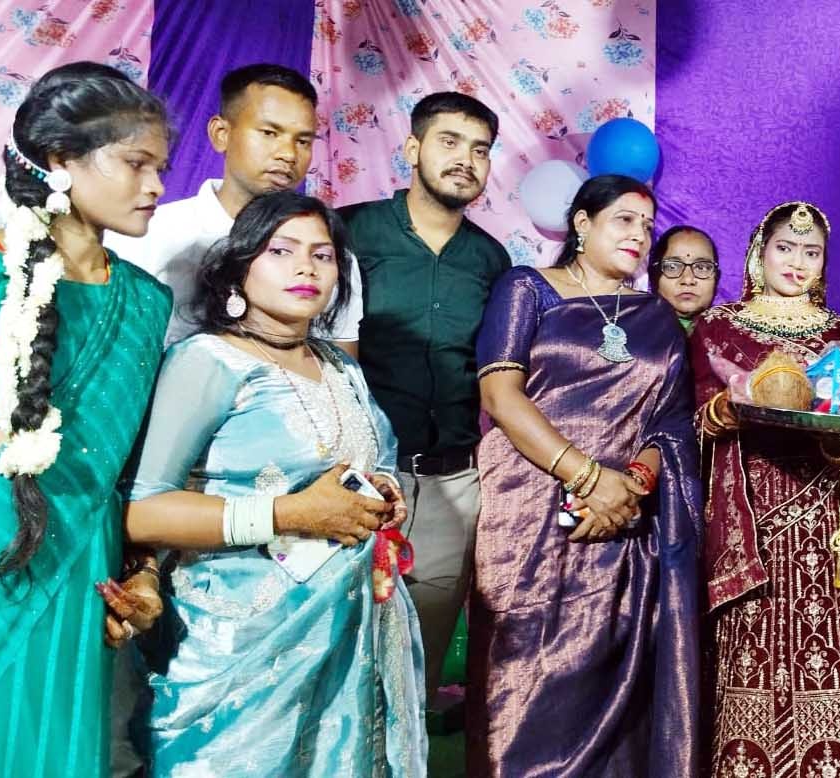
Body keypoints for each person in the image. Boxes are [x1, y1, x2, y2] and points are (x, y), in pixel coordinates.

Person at [0, 62, 173, 778]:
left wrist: (143, 575)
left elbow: (129, 474)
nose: (157, 185)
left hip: (76, 581)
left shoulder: (147, 303)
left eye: (160, 167)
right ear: (60, 159)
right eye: (136, 163)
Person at [123, 191, 426, 776]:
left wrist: (383, 494)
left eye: (322, 255)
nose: (305, 268)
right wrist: (290, 514)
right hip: (243, 649)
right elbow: (144, 508)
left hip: (349, 631)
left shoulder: (340, 366)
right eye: (280, 251)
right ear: (239, 268)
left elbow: (374, 457)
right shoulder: (206, 361)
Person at [468, 175, 700, 776]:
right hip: (530, 513)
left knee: (613, 680)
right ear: (581, 223)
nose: (639, 235)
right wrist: (589, 478)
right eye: (624, 219)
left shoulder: (656, 316)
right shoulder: (528, 288)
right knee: (523, 679)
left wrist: (631, 486)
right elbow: (500, 394)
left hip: (624, 520)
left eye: (646, 226)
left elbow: (671, 423)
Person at [690, 201, 840, 778]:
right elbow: (695, 421)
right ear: (760, 253)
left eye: (811, 252)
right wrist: (733, 404)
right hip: (750, 511)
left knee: (836, 639)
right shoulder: (718, 327)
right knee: (752, 640)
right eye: (785, 247)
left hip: (828, 518)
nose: (797, 262)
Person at [339, 91, 511, 703]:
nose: (465, 159)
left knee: (419, 669)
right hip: (358, 478)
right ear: (412, 149)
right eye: (450, 142)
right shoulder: (349, 231)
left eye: (480, 150)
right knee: (340, 660)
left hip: (451, 485)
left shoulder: (491, 260)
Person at [107, 63, 362, 351]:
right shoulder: (148, 235)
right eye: (269, 133)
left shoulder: (326, 258)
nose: (288, 154)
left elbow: (341, 370)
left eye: (302, 141)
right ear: (221, 133)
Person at [647, 225, 719, 332]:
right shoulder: (629, 331)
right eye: (672, 267)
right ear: (653, 275)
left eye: (702, 267)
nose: (688, 280)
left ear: (716, 278)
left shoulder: (735, 336)